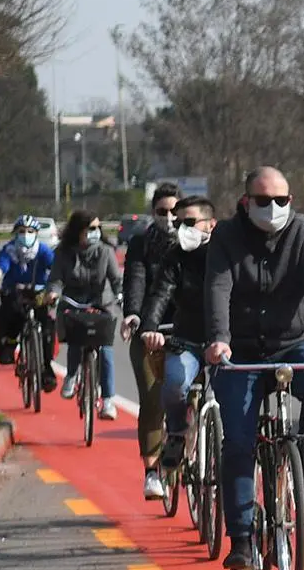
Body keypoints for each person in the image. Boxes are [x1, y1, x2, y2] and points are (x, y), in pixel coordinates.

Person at [204, 166, 304, 570]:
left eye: (281, 200)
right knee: (238, 441)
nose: (273, 208)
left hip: (294, 342)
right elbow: (218, 288)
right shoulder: (227, 236)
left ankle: (302, 464)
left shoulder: (303, 232)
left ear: (292, 201)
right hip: (241, 350)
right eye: (264, 200)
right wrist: (219, 338)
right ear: (245, 201)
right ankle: (243, 540)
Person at [140, 195, 217, 483]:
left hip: (224, 342)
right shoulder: (175, 257)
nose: (181, 227)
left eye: (189, 221)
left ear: (211, 225)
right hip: (186, 339)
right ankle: (175, 433)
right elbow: (161, 293)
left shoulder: (226, 255)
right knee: (174, 383)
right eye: (178, 221)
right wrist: (151, 327)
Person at [122, 181, 182, 498]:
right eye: (162, 212)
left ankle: (199, 445)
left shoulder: (196, 242)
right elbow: (135, 279)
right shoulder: (141, 244)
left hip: (188, 331)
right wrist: (134, 314)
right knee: (153, 398)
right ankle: (152, 470)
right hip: (149, 330)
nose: (169, 218)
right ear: (153, 213)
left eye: (175, 211)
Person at [49, 211, 122, 418]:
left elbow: (116, 280)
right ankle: (71, 375)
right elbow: (55, 279)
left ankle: (108, 400)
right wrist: (53, 293)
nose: (95, 233)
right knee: (75, 338)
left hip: (102, 305)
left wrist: (120, 294)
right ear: (78, 232)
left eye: (98, 228)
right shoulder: (63, 253)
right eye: (90, 229)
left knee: (106, 351)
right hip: (74, 304)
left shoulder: (106, 252)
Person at [0, 217, 58, 389]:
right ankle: (11, 344)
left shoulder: (43, 250)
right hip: (15, 292)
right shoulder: (9, 250)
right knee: (12, 316)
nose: (26, 235)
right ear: (15, 234)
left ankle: (46, 368)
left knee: (47, 330)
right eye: (21, 231)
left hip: (39, 294)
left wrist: (54, 290)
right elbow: (1, 267)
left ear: (36, 234)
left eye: (30, 232)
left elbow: (56, 269)